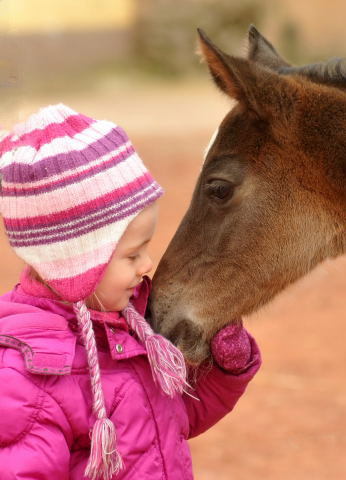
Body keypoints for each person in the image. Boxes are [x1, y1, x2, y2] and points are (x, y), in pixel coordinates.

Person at [0, 104, 261, 480]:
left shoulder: (130, 328)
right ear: (77, 263)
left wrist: (224, 368)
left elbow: (176, 417)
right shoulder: (25, 377)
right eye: (132, 254)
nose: (147, 265)